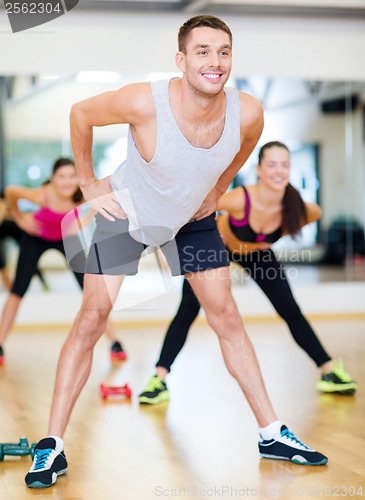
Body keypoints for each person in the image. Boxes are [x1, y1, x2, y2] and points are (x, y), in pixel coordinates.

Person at [25, 16, 328, 489]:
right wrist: (86, 183)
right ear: (181, 60)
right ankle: (52, 446)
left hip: (191, 220)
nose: (215, 62)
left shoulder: (247, 111)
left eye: (224, 51)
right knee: (92, 318)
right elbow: (81, 114)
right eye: (203, 51)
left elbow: (245, 145)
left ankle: (271, 432)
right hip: (125, 213)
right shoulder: (143, 102)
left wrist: (220, 187)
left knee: (226, 316)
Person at [138, 141, 358, 405]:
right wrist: (207, 231)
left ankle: (329, 371)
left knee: (289, 309)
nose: (279, 171)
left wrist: (274, 238)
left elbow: (315, 213)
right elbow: (198, 207)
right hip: (217, 248)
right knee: (188, 309)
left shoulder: (293, 204)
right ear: (259, 169)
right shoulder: (242, 199)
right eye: (272, 165)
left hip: (256, 253)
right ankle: (158, 379)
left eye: (284, 165)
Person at [0, 158, 126, 367]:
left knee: (90, 291)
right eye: (62, 177)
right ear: (52, 179)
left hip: (66, 238)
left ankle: (115, 343)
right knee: (17, 290)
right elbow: (11, 191)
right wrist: (20, 218)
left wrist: (84, 222)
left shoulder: (80, 195)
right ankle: (1, 344)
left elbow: (105, 192)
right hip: (36, 237)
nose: (67, 182)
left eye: (71, 176)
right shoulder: (42, 194)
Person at [0, 194, 48, 292]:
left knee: (28, 256)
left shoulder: (4, 199)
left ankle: (43, 282)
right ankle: (9, 286)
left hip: (14, 227)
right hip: (6, 227)